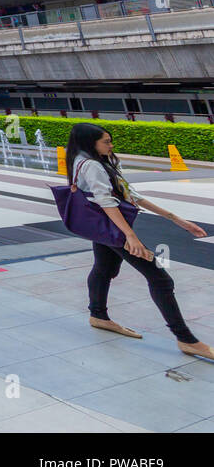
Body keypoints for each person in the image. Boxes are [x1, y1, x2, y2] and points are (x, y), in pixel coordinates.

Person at [66, 123, 212, 359]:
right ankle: (186, 339)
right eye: (106, 142)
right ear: (89, 143)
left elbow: (130, 195)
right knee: (160, 278)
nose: (111, 145)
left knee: (104, 268)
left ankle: (98, 316)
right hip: (113, 228)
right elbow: (106, 202)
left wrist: (176, 219)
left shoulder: (99, 161)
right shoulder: (91, 165)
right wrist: (130, 237)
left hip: (104, 227)